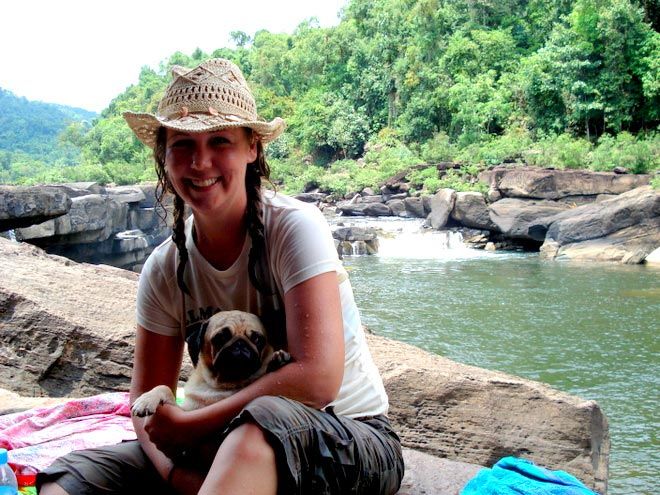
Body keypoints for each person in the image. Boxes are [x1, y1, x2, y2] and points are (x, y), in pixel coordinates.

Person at [37, 58, 404, 495]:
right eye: (182, 145)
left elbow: (316, 379)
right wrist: (176, 474)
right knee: (76, 474)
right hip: (214, 442)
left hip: (347, 437)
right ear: (164, 157)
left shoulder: (293, 228)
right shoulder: (164, 268)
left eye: (220, 141)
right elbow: (145, 408)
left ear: (252, 148)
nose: (201, 161)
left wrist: (191, 427)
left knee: (258, 422)